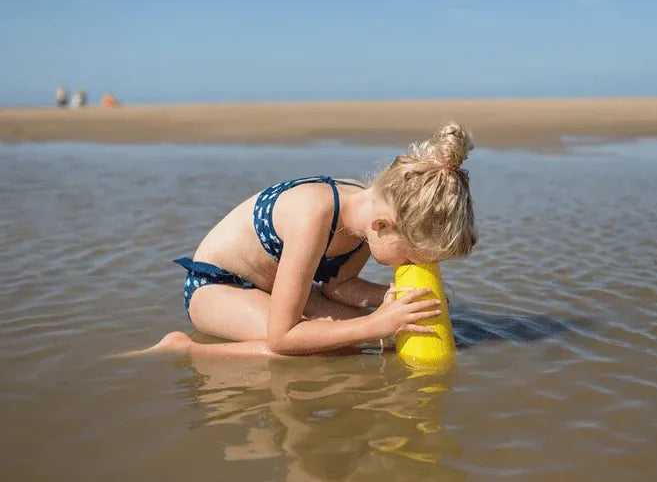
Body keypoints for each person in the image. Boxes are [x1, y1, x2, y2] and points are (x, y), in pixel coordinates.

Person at [151, 123, 477, 358]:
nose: (410, 265)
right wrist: (377, 324)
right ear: (383, 225)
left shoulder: (368, 214)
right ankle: (186, 348)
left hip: (285, 291)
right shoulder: (314, 215)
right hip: (218, 289)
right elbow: (283, 337)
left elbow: (337, 285)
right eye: (410, 257)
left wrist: (389, 297)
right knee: (321, 347)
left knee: (384, 336)